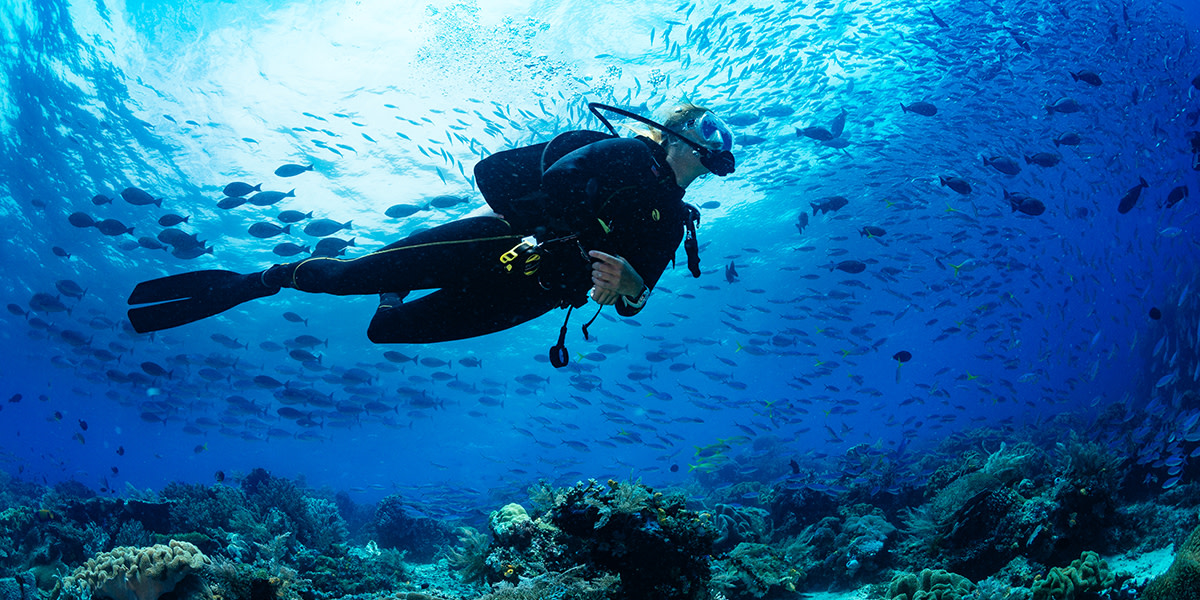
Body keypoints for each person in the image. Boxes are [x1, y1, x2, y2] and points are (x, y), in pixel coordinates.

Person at [127, 102, 735, 362]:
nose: (720, 142)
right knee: (343, 279)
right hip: (498, 241)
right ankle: (264, 278)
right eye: (710, 127)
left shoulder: (676, 221)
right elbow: (556, 181)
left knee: (390, 329)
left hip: (538, 293)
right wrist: (578, 240)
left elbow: (635, 299)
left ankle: (392, 298)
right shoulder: (628, 155)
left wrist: (628, 287)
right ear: (678, 133)